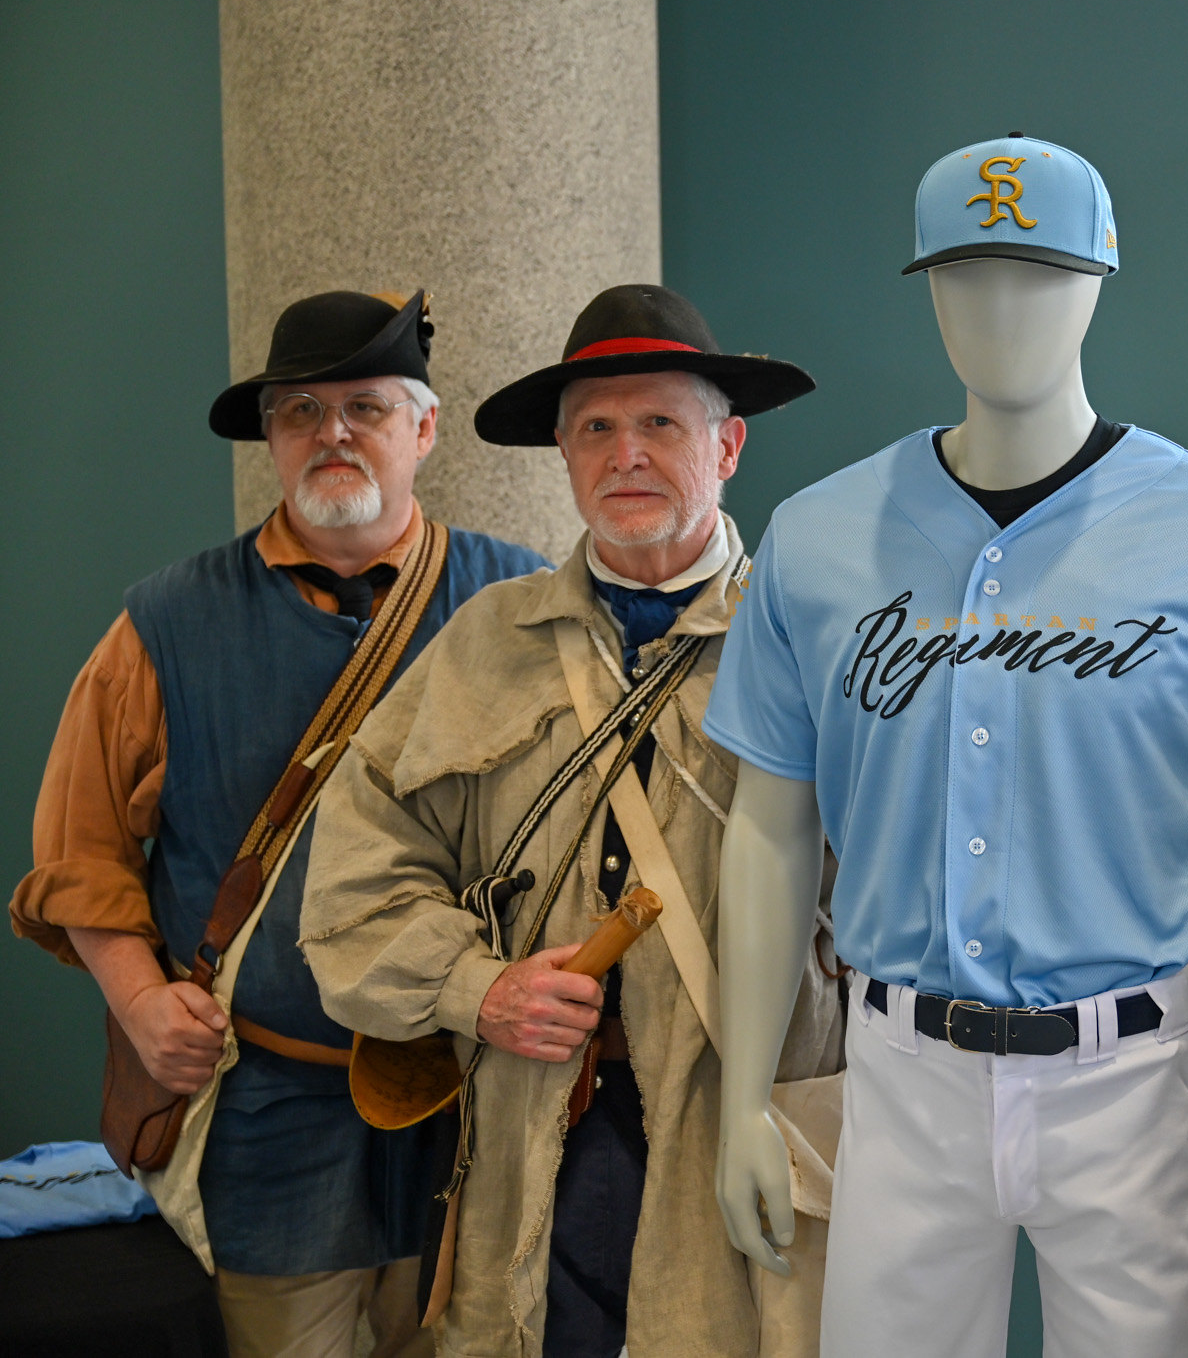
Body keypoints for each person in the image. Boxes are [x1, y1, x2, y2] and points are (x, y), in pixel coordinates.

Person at [706, 136, 1188, 1357]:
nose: (1000, 309)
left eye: (1038, 273)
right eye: (966, 276)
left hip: (1124, 1076)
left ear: (1098, 281)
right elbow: (767, 823)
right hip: (900, 1073)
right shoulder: (814, 541)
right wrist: (741, 1098)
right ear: (926, 289)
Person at [301, 284, 844, 1358]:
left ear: (726, 446)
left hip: (759, 1117)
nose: (624, 453)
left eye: (659, 424)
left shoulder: (817, 633)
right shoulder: (485, 640)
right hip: (542, 1132)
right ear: (561, 451)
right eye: (595, 427)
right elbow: (357, 887)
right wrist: (480, 990)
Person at [8, 289, 548, 1357]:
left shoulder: (519, 606)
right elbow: (78, 856)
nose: (331, 433)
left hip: (474, 1102)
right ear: (270, 437)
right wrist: (142, 1004)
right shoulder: (162, 624)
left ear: (424, 429)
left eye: (366, 408)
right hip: (268, 1109)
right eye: (300, 410)